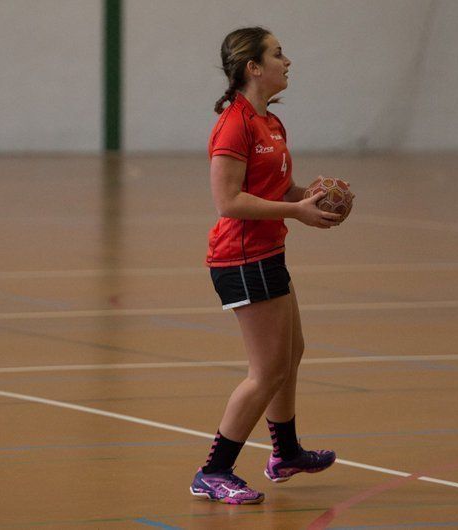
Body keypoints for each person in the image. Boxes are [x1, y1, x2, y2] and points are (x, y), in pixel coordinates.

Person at [189, 27, 348, 505]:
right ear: (252, 67)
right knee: (266, 370)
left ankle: (286, 453)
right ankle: (213, 471)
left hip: (267, 252)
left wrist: (312, 197)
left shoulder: (270, 124)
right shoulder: (233, 124)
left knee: (291, 354)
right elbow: (229, 201)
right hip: (240, 258)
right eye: (278, 54)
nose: (288, 61)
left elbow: (278, 190)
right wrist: (296, 212)